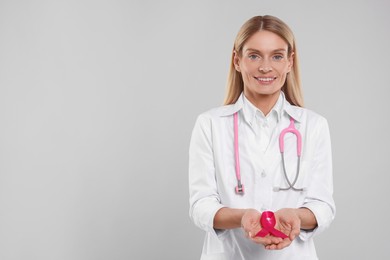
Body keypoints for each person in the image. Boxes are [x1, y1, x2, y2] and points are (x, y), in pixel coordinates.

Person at [188, 15, 335, 260]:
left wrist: (297, 216)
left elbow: (323, 206)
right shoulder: (210, 124)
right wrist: (242, 218)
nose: (265, 67)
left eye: (277, 56)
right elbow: (201, 205)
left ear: (290, 62)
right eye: (254, 55)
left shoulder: (314, 126)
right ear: (237, 60)